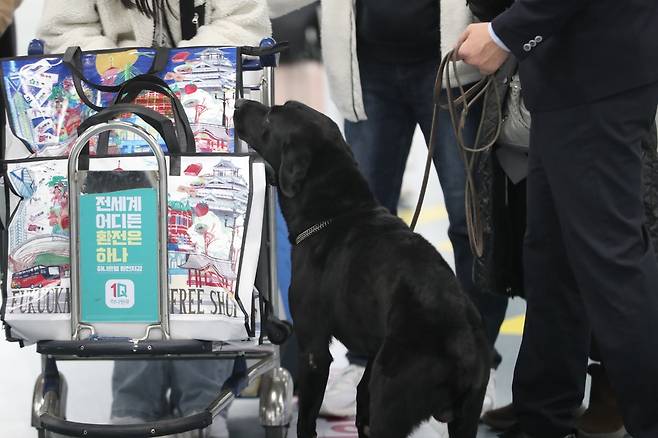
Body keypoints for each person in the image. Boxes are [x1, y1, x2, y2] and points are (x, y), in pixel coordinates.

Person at [269, 0, 509, 426]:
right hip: (367, 69)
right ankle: (366, 362)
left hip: (453, 62)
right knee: (355, 236)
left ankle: (475, 360)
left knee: (471, 225)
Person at [38, 1, 271, 437]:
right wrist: (133, 72)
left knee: (200, 255)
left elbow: (247, 21)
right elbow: (61, 28)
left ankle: (203, 400)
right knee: (129, 251)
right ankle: (134, 402)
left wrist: (179, 70)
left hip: (208, 115)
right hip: (116, 120)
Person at [457, 1, 658, 438]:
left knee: (611, 263)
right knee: (553, 255)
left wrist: (505, 33)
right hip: (564, 80)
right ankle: (544, 414)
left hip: (595, 76)